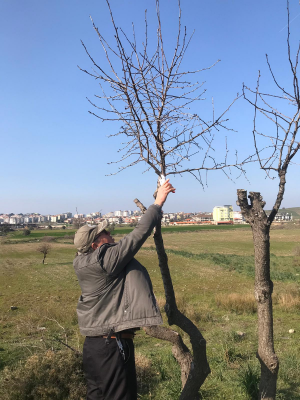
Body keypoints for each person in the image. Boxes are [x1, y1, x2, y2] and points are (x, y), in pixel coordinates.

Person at [73, 179, 175, 400]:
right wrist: (158, 202)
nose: (111, 235)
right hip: (111, 345)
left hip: (93, 346)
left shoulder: (82, 262)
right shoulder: (105, 259)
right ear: (95, 246)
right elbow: (138, 234)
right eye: (105, 234)